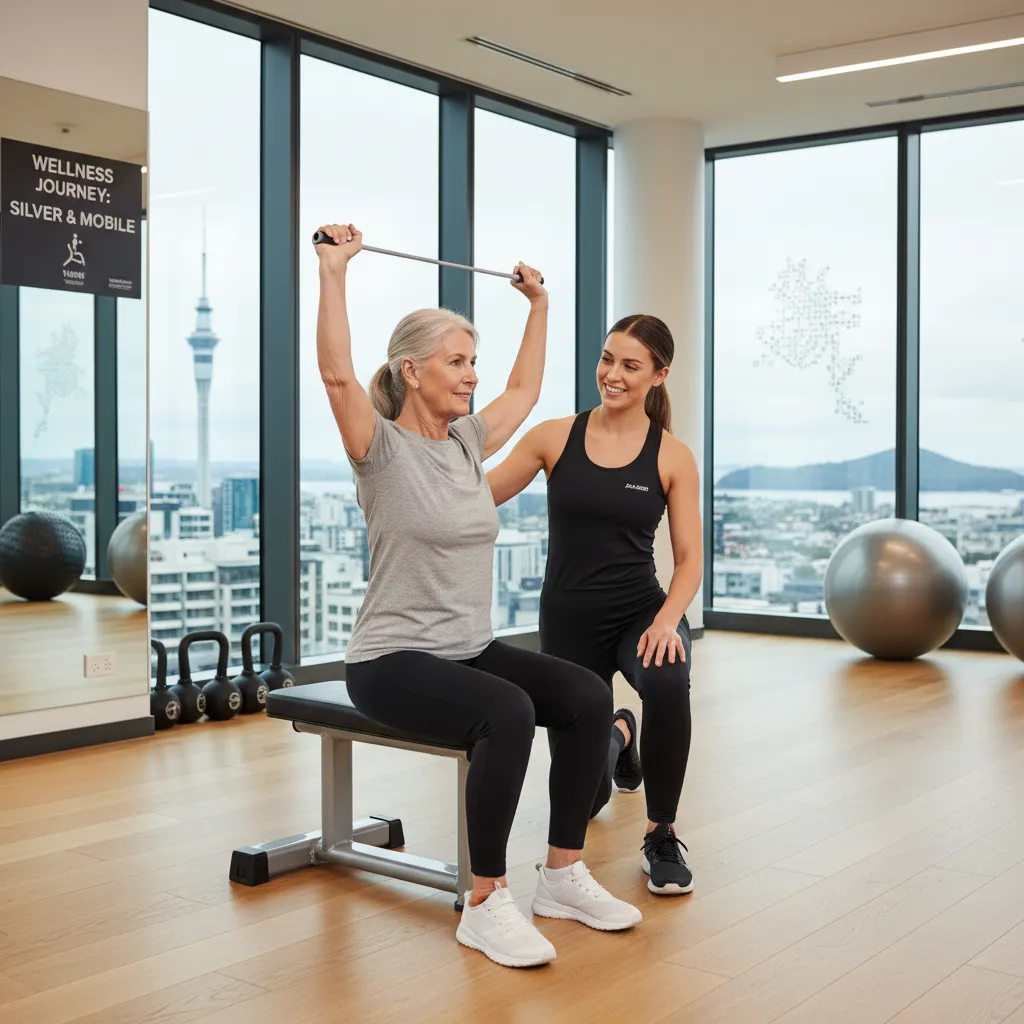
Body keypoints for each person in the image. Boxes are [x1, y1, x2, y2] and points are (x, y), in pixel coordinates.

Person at [314, 222, 642, 970]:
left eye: (472, 363)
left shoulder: (465, 443)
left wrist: (539, 305)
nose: (470, 376)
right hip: (390, 659)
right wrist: (334, 271)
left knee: (587, 696)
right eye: (456, 362)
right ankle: (486, 901)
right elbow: (336, 376)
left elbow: (523, 391)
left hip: (468, 648)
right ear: (411, 370)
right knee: (509, 710)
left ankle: (561, 876)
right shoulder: (378, 448)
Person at [486, 314, 701, 896]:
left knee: (667, 675)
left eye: (631, 365)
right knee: (586, 800)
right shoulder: (554, 436)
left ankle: (661, 833)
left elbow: (689, 561)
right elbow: (481, 496)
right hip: (567, 619)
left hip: (640, 612)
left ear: (658, 375)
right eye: (608, 359)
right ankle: (619, 736)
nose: (613, 374)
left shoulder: (672, 456)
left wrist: (667, 622)